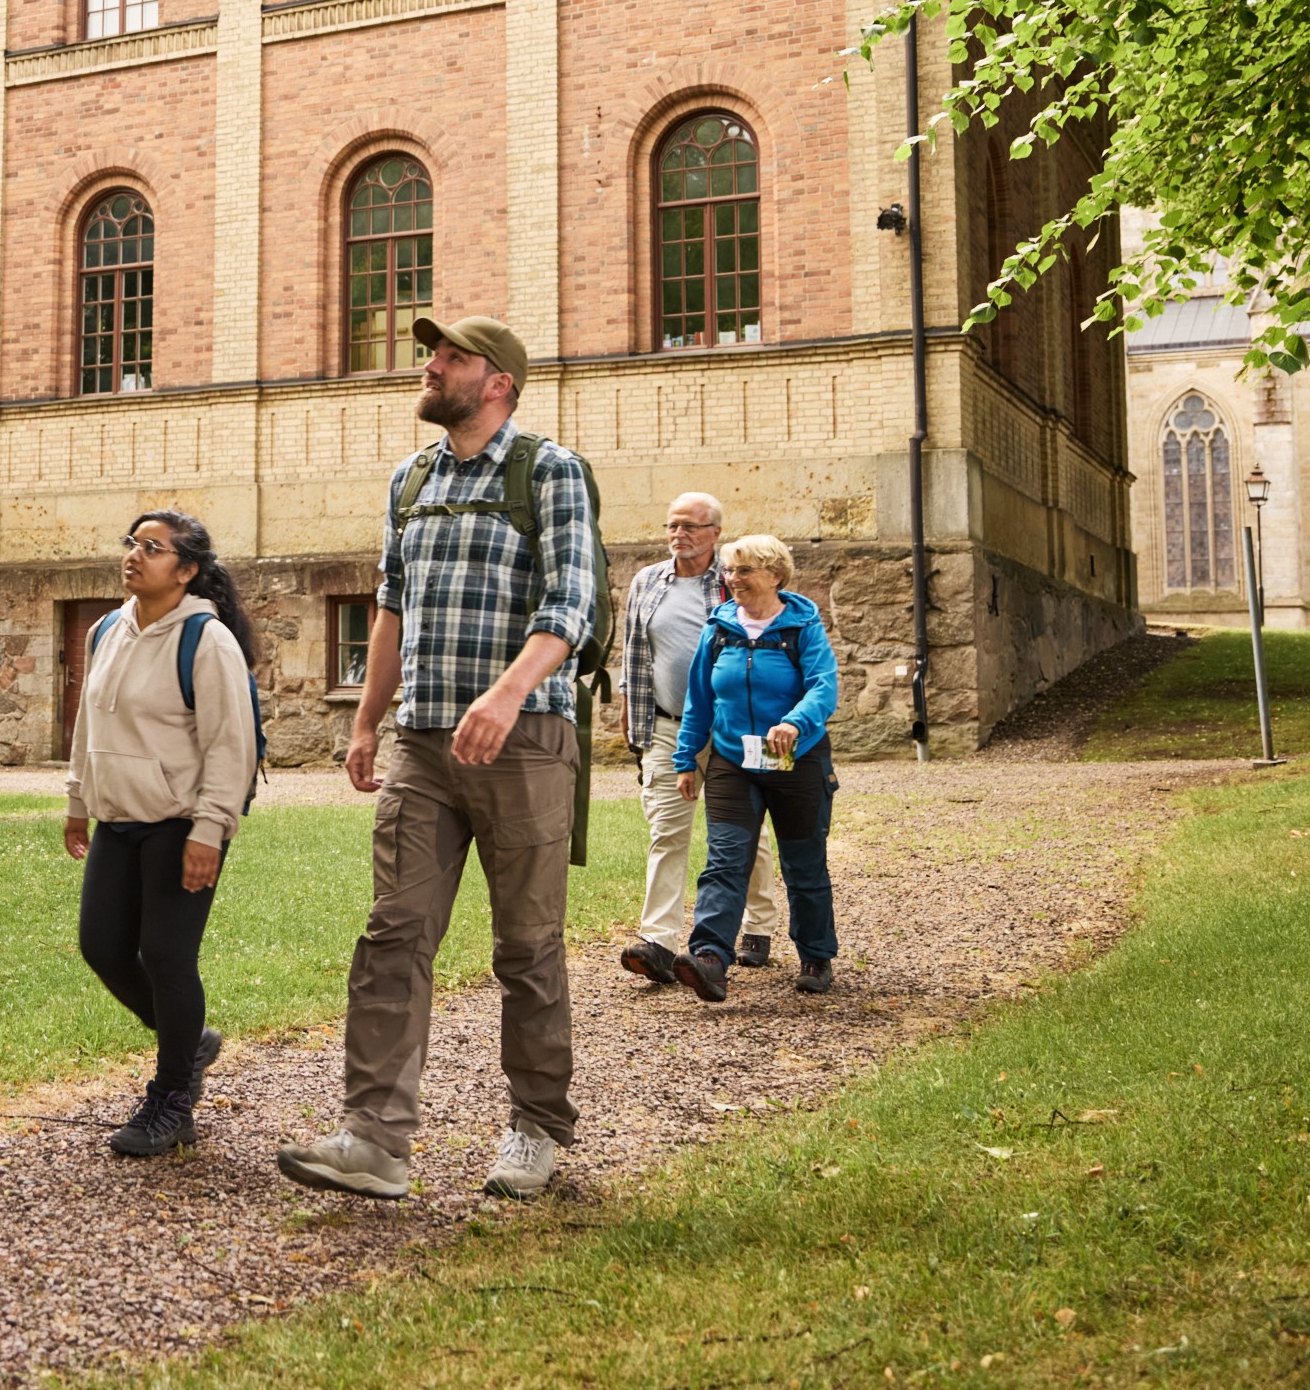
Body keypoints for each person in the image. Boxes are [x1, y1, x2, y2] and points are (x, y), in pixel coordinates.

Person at [275, 315, 598, 1203]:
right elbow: (390, 605)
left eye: (450, 355)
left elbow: (573, 605)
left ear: (496, 380)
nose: (431, 365)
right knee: (393, 935)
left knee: (527, 945)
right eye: (434, 353)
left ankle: (536, 1127)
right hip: (423, 742)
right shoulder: (410, 479)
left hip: (524, 739)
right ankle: (373, 1139)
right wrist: (367, 718)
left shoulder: (549, 471)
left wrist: (506, 695)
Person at [63, 507, 260, 1157]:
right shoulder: (104, 631)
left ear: (187, 569)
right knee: (102, 946)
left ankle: (173, 1098)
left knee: (170, 956)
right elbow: (89, 725)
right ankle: (192, 1039)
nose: (135, 554)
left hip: (182, 822)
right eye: (133, 542)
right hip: (119, 820)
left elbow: (232, 745)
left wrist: (211, 829)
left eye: (153, 546)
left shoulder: (205, 639)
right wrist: (78, 799)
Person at [616, 492, 787, 988]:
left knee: (744, 831)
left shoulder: (736, 580)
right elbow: (634, 651)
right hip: (669, 725)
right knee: (666, 831)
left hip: (736, 729)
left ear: (716, 532)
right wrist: (629, 706)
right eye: (673, 525)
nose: (679, 534)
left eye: (691, 526)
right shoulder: (648, 581)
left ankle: (757, 925)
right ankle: (659, 942)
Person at [671, 532, 842, 1001]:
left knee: (803, 864)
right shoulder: (719, 627)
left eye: (744, 570)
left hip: (797, 760)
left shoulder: (802, 625)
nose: (733, 579)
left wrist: (795, 722)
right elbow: (700, 699)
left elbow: (824, 687)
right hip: (733, 760)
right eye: (729, 570)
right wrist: (687, 758)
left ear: (774, 575)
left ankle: (815, 955)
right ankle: (709, 959)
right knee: (725, 860)